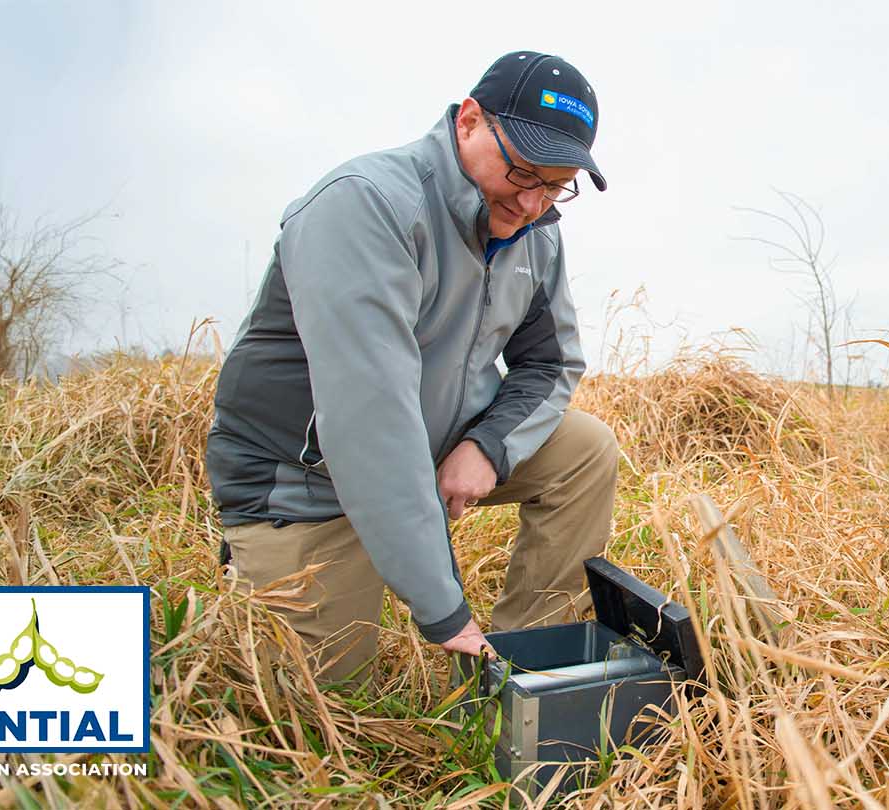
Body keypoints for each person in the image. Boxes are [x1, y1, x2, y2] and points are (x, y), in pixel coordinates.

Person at [205, 51, 619, 684]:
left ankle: (521, 672)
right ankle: (281, 569)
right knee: (328, 716)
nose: (534, 203)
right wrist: (446, 613)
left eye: (556, 184)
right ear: (470, 121)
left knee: (585, 450)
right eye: (523, 171)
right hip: (308, 484)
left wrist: (487, 446)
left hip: (431, 442)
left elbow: (551, 363)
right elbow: (371, 426)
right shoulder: (367, 206)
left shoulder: (536, 230)